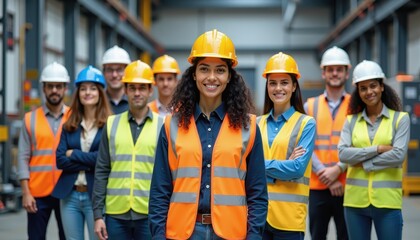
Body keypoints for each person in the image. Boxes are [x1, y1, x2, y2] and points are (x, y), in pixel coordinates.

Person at [149, 29, 268, 240]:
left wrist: (254, 236)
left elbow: (257, 193)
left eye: (220, 70)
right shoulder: (171, 125)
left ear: (229, 76)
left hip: (231, 232)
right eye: (204, 69)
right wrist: (158, 235)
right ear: (194, 74)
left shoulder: (248, 126)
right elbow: (160, 190)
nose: (212, 77)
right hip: (183, 232)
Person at [338, 60, 410, 240]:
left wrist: (364, 162)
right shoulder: (351, 121)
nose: (369, 92)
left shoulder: (400, 119)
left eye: (373, 86)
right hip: (354, 203)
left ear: (381, 87)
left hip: (388, 202)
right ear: (358, 91)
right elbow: (343, 154)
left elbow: (398, 155)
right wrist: (377, 148)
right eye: (363, 88)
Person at [92, 60, 164, 240]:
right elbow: (101, 170)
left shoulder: (163, 126)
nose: (137, 93)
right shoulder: (111, 123)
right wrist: (98, 215)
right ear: (125, 90)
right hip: (116, 214)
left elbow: (168, 175)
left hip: (149, 213)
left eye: (142, 88)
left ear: (150, 91)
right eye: (132, 88)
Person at [258, 52, 316, 240]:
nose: (278, 88)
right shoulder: (256, 123)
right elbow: (242, 166)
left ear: (293, 87)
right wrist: (283, 166)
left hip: (289, 219)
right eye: (272, 83)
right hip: (257, 215)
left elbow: (297, 169)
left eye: (284, 82)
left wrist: (258, 165)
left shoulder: (306, 124)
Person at [52, 66, 112, 240]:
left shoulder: (110, 125)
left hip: (96, 196)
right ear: (78, 93)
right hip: (69, 195)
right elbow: (60, 160)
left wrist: (74, 154)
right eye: (83, 89)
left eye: (93, 88)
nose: (88, 92)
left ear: (100, 93)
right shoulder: (69, 125)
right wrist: (90, 161)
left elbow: (104, 161)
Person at [17, 62, 70, 240]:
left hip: (66, 191)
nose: (54, 90)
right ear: (44, 88)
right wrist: (26, 193)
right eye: (50, 86)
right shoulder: (29, 119)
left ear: (65, 88)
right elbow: (23, 158)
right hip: (37, 194)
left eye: (58, 86)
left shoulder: (74, 117)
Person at [305, 46, 350, 240]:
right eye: (330, 69)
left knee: (347, 236)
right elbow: (305, 146)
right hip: (318, 186)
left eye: (339, 69)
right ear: (323, 72)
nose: (334, 73)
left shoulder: (356, 105)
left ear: (347, 73)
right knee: (317, 236)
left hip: (348, 186)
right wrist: (328, 175)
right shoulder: (310, 106)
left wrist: (338, 170)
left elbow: (359, 145)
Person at [102, 45, 131, 114]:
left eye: (119, 70)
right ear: (104, 72)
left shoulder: (135, 101)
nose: (114, 75)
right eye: (109, 70)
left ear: (127, 72)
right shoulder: (97, 101)